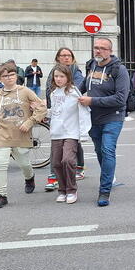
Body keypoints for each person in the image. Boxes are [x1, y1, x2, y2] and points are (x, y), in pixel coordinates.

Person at [0, 62, 47, 209]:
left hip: (21, 133)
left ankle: (29, 177)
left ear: (16, 75)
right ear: (0, 78)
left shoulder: (25, 91)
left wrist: (30, 122)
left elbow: (42, 107)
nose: (9, 78)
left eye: (12, 74)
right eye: (5, 76)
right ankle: (1, 195)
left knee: (24, 164)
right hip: (2, 133)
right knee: (1, 165)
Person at [79, 37, 130, 207]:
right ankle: (109, 177)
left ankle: (104, 191)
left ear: (110, 51)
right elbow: (82, 88)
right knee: (99, 151)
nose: (98, 51)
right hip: (93, 117)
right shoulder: (91, 65)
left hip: (113, 116)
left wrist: (92, 101)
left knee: (108, 149)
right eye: (96, 48)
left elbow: (121, 99)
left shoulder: (119, 70)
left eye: (102, 48)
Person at [48, 64, 91, 204]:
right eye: (56, 76)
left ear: (68, 77)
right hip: (56, 132)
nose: (59, 79)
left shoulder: (73, 91)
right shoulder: (53, 93)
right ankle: (62, 189)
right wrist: (43, 112)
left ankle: (72, 189)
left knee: (68, 160)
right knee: (56, 163)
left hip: (71, 132)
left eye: (62, 76)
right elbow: (55, 112)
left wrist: (83, 133)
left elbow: (83, 111)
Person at [44, 47, 86, 190]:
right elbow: (50, 91)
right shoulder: (53, 71)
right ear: (57, 58)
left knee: (71, 144)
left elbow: (80, 86)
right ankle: (67, 172)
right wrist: (47, 112)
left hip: (70, 114)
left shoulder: (75, 70)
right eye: (63, 55)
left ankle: (71, 171)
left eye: (69, 55)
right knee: (62, 147)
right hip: (56, 114)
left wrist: (68, 92)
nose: (66, 58)